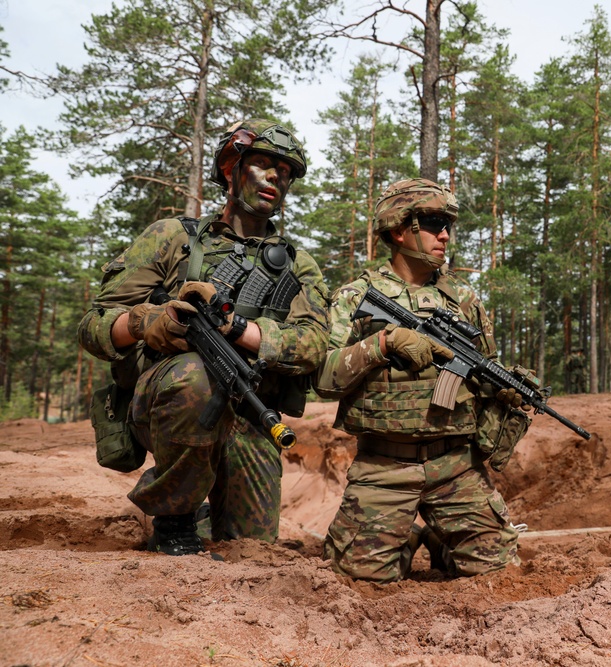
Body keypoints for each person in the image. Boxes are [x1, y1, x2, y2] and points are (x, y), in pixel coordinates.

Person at [78, 119, 330, 557]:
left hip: (250, 413)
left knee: (250, 545)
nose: (276, 178)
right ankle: (173, 516)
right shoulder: (173, 238)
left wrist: (238, 330)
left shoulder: (298, 264)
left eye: (285, 172)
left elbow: (312, 346)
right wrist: (145, 322)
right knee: (196, 377)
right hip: (170, 399)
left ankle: (201, 509)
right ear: (232, 168)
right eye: (263, 165)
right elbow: (94, 325)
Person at [313, 178, 529, 583]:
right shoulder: (356, 297)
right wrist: (384, 342)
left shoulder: (462, 299)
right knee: (360, 581)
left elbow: (486, 368)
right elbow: (323, 379)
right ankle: (406, 537)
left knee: (500, 575)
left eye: (448, 224)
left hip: (456, 468)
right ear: (398, 229)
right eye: (432, 223)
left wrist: (504, 388)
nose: (444, 234)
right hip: (384, 468)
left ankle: (442, 536)